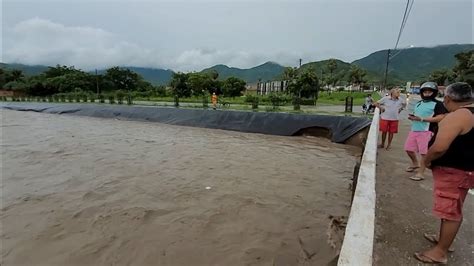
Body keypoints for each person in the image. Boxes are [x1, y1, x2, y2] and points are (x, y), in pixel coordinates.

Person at [414, 82, 474, 264]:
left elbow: (439, 147)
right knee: (453, 208)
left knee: (449, 212)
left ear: (447, 98)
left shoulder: (458, 116)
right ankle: (444, 241)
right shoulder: (471, 113)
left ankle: (440, 252)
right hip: (465, 171)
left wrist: (427, 160)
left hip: (454, 172)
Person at [404, 82, 448, 181]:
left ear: (434, 93)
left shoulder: (438, 104)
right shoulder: (419, 103)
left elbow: (440, 117)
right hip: (414, 129)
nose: (427, 94)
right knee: (408, 149)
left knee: (424, 153)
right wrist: (413, 117)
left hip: (426, 131)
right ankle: (415, 163)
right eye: (425, 92)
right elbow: (417, 114)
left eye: (429, 92)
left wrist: (422, 119)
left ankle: (420, 173)